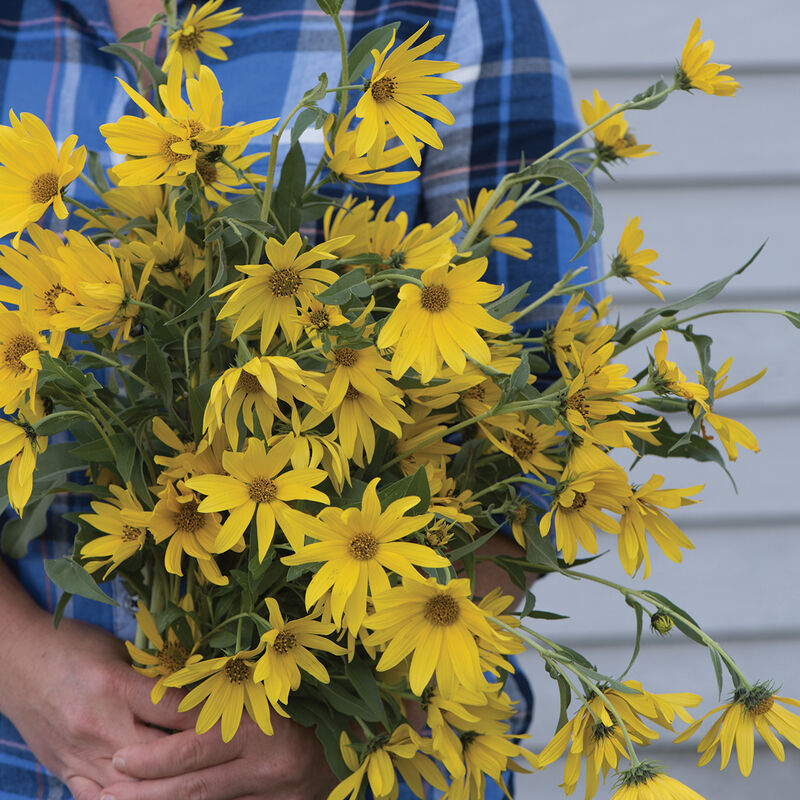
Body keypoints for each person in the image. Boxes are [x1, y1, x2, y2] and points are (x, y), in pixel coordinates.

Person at [0, 1, 598, 798]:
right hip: (30, 761)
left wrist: (348, 718)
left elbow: (549, 426)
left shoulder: (445, 14)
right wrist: (24, 673)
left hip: (365, 760)